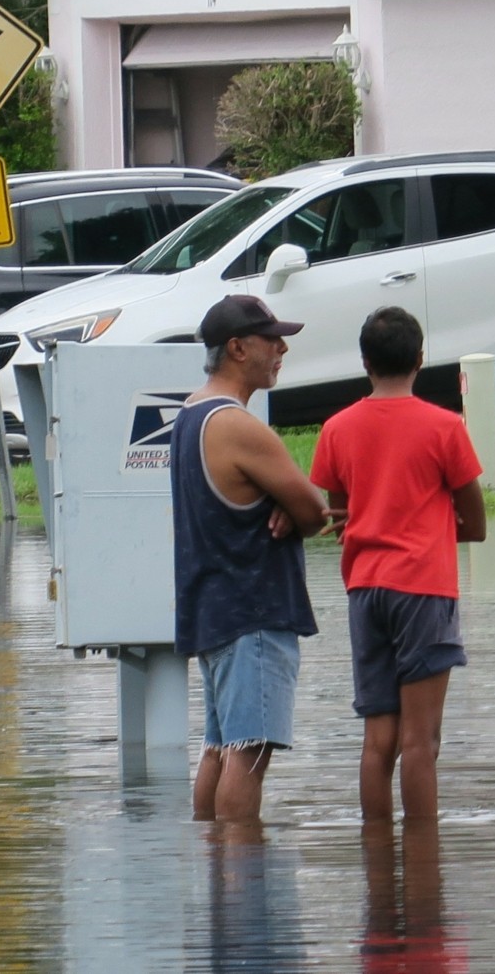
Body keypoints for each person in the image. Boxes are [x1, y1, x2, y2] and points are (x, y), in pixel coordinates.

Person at [310, 306, 486, 820]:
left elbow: (341, 512)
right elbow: (474, 522)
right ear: (421, 359)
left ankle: (378, 861)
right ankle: (423, 865)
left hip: (365, 589)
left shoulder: (337, 429)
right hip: (424, 588)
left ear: (364, 361)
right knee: (421, 741)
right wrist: (431, 529)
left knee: (377, 741)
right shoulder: (444, 427)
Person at [173, 294, 328, 821]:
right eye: (271, 340)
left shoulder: (188, 415)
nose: (281, 348)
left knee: (219, 748)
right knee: (251, 751)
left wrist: (289, 502)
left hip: (212, 610)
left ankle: (216, 876)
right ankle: (244, 889)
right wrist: (298, 506)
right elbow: (313, 510)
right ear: (238, 348)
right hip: (254, 611)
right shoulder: (238, 425)